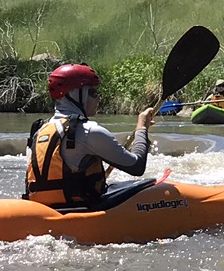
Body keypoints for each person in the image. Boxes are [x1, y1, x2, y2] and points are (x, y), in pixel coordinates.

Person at [25, 63, 157, 208]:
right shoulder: (89, 131)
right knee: (150, 185)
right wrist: (141, 128)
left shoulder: (39, 130)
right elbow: (136, 166)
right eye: (93, 92)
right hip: (80, 209)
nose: (98, 98)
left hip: (44, 208)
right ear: (76, 94)